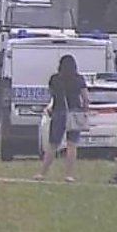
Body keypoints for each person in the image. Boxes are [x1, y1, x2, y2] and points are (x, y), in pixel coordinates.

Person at [35, 54, 89, 182]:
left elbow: (53, 96)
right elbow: (86, 98)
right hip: (74, 112)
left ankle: (42, 173)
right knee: (72, 145)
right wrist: (85, 111)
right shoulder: (79, 79)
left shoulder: (55, 79)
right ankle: (69, 175)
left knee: (53, 145)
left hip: (59, 112)